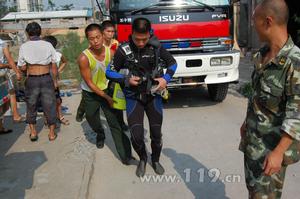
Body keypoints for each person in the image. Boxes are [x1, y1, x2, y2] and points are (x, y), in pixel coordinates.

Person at [239, 0, 300, 198]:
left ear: (268, 21)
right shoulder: (261, 56)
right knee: (253, 192)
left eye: (253, 20)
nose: (251, 25)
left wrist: (279, 152)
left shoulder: (294, 62)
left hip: (271, 151)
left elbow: (296, 115)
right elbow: (257, 97)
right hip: (253, 144)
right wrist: (245, 123)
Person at [106, 18, 177, 177]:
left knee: (156, 134)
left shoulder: (156, 47)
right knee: (137, 136)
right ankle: (143, 159)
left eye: (144, 39)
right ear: (132, 34)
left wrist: (166, 79)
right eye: (137, 39)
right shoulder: (123, 50)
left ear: (149, 34)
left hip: (153, 97)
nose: (140, 43)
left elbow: (172, 63)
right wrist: (125, 80)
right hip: (133, 98)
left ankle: (156, 159)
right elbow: (109, 72)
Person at [77, 23, 133, 164]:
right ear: (87, 40)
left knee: (116, 123)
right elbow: (89, 83)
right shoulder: (84, 58)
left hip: (109, 90)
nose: (95, 41)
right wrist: (105, 97)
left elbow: (120, 71)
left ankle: (125, 155)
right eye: (91, 39)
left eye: (97, 37)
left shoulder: (111, 53)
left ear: (102, 36)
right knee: (91, 117)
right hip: (91, 93)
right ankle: (100, 133)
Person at [17, 22, 58, 142]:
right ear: (40, 32)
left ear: (27, 33)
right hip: (46, 78)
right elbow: (54, 65)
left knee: (31, 105)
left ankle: (33, 133)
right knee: (49, 105)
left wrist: (28, 68)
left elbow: (22, 67)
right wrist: (55, 81)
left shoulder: (24, 47)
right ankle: (51, 134)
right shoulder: (48, 45)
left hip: (32, 79)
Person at [43, 35, 69, 126]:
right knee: (46, 101)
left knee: (58, 101)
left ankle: (60, 116)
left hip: (54, 82)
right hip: (43, 81)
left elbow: (65, 62)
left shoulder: (58, 54)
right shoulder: (41, 55)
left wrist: (58, 70)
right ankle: (46, 118)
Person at [0, 38, 24, 123]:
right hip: (2, 75)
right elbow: (9, 59)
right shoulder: (3, 43)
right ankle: (16, 115)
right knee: (11, 93)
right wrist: (17, 72)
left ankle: (1, 126)